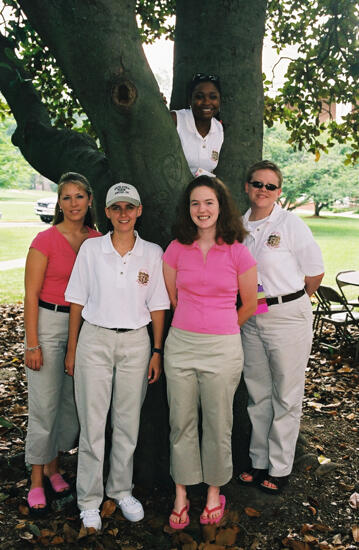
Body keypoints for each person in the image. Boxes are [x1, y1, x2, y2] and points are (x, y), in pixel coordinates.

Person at [64, 182, 170, 532]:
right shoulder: (92, 249)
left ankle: (120, 490)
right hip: (94, 340)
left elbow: (157, 305)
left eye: (130, 207)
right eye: (116, 207)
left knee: (127, 423)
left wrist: (156, 350)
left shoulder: (152, 253)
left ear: (139, 211)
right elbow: (77, 300)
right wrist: (72, 348)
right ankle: (89, 500)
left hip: (136, 344)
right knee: (93, 425)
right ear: (107, 212)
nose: (123, 213)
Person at [163, 175, 257, 529]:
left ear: (221, 207)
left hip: (223, 347)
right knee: (181, 422)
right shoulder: (175, 248)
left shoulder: (237, 250)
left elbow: (251, 303)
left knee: (218, 423)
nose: (202, 210)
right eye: (195, 203)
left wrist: (222, 325)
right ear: (188, 210)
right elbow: (172, 298)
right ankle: (182, 493)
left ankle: (215, 491)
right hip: (181, 346)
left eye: (209, 203)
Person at [239, 160, 325, 494]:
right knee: (258, 394)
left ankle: (279, 467)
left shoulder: (291, 224)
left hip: (288, 316)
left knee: (286, 395)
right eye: (257, 183)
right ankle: (258, 461)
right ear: (247, 187)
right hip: (252, 317)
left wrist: (287, 302)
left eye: (270, 186)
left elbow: (315, 272)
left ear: (279, 192)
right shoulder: (239, 226)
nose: (262, 190)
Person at [24, 172, 100, 515]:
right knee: (44, 405)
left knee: (70, 407)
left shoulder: (98, 240)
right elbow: (29, 295)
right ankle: (37, 479)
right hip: (49, 322)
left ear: (89, 200)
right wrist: (32, 344)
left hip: (85, 327)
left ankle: (54, 467)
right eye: (66, 197)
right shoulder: (45, 240)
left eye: (79, 196)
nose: (73, 203)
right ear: (59, 203)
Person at [171, 73, 223, 176]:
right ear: (190, 100)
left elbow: (208, 169)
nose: (207, 102)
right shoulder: (176, 120)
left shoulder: (218, 128)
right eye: (199, 97)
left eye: (213, 97)